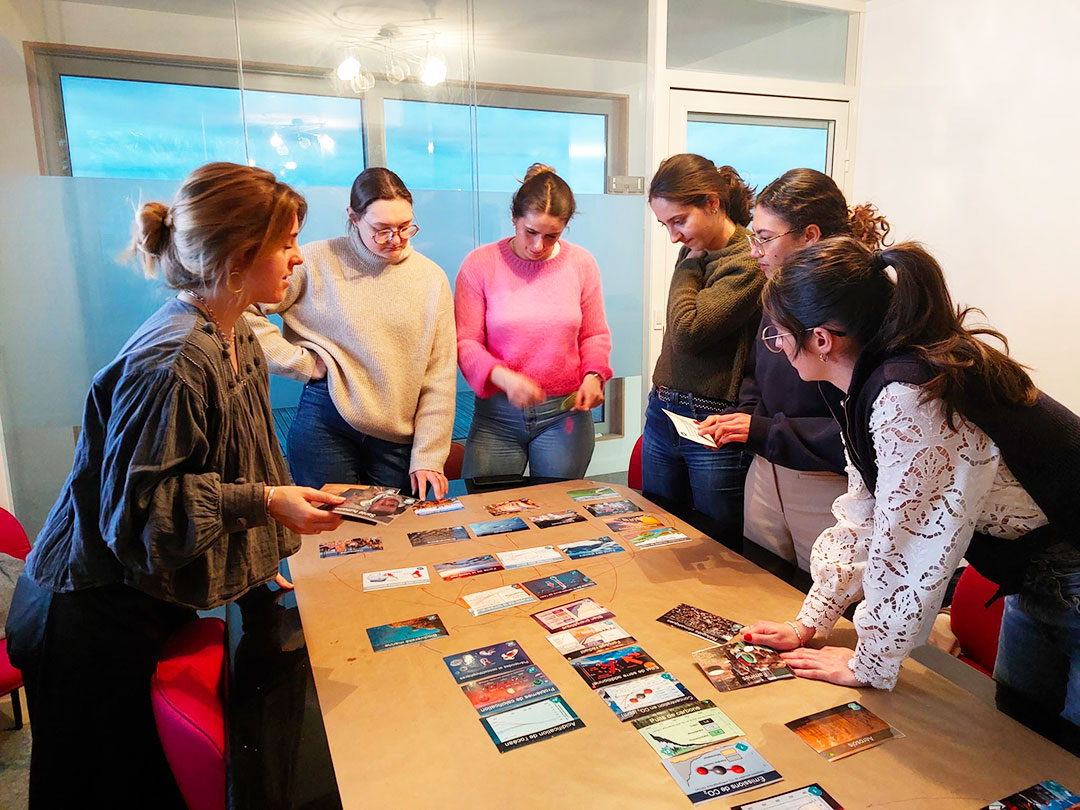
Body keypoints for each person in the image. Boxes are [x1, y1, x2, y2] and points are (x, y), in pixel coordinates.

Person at [4, 162, 346, 807]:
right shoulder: (173, 360)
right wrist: (267, 503)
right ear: (240, 257)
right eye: (286, 242)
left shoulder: (235, 332)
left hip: (138, 600)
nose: (298, 259)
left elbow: (236, 461)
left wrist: (262, 540)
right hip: (90, 614)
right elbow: (138, 516)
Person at [740, 237, 1080, 752]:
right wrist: (809, 623)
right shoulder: (874, 380)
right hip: (1038, 573)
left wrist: (868, 662)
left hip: (1070, 565)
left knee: (1058, 752)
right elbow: (865, 511)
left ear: (822, 339)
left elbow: (912, 545)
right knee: (1013, 739)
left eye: (778, 336)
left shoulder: (909, 396)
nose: (778, 348)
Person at [697, 168, 891, 570]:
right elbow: (756, 369)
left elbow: (864, 427)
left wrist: (765, 430)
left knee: (833, 614)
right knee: (760, 592)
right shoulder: (777, 290)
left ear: (811, 236)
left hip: (830, 485)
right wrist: (748, 418)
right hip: (767, 472)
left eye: (765, 238)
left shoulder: (867, 308)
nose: (755, 251)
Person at [246, 167, 457, 500]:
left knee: (397, 537)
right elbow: (242, 309)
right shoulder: (315, 259)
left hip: (397, 427)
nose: (396, 240)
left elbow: (440, 375)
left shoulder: (431, 278)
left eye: (405, 227)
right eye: (382, 229)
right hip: (325, 417)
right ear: (354, 217)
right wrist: (299, 362)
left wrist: (429, 454)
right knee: (329, 536)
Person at [455, 163, 612, 480]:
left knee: (558, 513)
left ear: (565, 227)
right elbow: (465, 342)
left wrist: (594, 375)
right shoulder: (480, 265)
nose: (538, 246)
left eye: (551, 236)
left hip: (564, 413)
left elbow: (594, 334)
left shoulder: (581, 264)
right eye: (530, 232)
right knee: (486, 510)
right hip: (498, 415)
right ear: (514, 219)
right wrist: (504, 378)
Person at [643, 154, 761, 537]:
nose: (674, 236)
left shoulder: (748, 260)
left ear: (712, 202)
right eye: (666, 225)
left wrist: (689, 264)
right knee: (655, 530)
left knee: (716, 545)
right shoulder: (695, 250)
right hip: (663, 410)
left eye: (679, 221)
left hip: (711, 422)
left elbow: (688, 330)